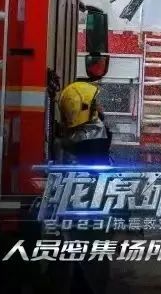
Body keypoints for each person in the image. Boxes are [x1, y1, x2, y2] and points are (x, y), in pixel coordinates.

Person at [53, 82, 113, 293]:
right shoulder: (92, 136)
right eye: (96, 105)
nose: (100, 109)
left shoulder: (79, 139)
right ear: (83, 109)